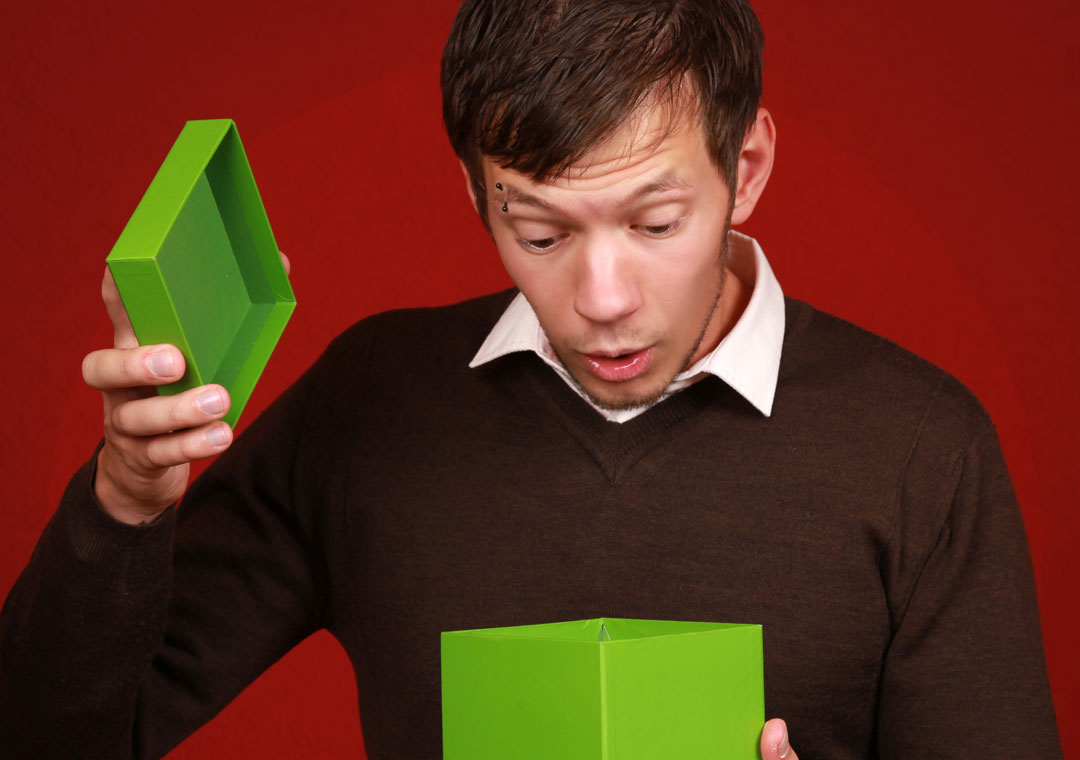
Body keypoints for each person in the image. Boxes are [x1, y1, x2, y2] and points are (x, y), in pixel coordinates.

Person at [0, 0, 1062, 757]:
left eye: (654, 223)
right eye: (540, 228)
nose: (602, 295)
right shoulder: (373, 404)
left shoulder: (922, 447)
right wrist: (125, 503)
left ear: (746, 171)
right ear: (474, 194)